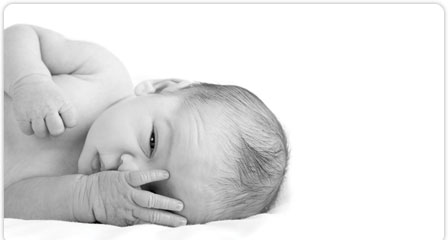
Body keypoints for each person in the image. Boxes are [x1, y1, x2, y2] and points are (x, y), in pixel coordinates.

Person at [4, 24, 289, 226]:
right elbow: (20, 35)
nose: (130, 172)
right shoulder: (104, 75)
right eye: (152, 142)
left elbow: (8, 202)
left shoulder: (81, 196)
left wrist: (84, 198)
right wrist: (29, 80)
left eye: (151, 192)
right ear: (160, 88)